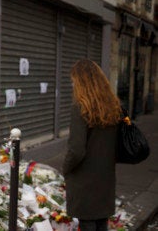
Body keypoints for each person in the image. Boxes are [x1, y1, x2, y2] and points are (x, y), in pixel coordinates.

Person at [63, 59, 121, 231]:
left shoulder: (80, 107)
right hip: (105, 179)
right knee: (101, 223)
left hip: (85, 181)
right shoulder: (111, 105)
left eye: (74, 80)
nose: (72, 84)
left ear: (81, 81)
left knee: (88, 223)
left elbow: (76, 150)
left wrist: (66, 167)